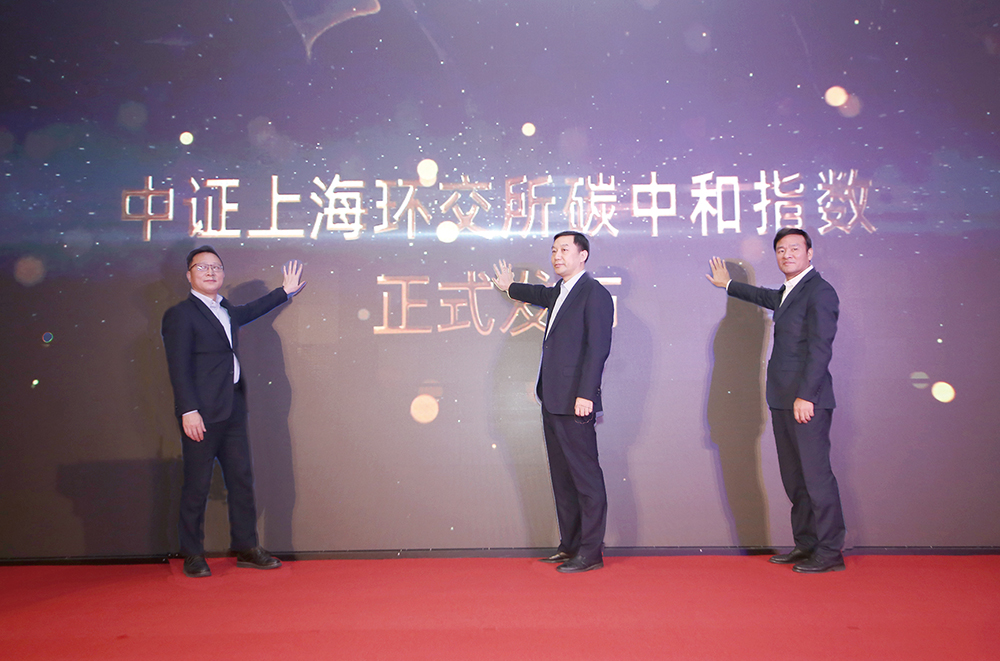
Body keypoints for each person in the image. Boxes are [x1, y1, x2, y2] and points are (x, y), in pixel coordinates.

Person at [706, 228, 846, 573]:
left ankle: (830, 551)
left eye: (794, 249)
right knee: (795, 478)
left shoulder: (820, 292)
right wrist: (728, 285)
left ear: (809, 253)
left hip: (806, 401)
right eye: (781, 250)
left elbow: (820, 349)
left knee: (816, 477)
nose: (787, 255)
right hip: (783, 399)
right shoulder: (788, 292)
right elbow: (765, 296)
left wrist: (806, 395)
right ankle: (806, 544)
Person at [162, 246, 305, 578]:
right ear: (188, 275)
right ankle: (193, 554)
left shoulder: (225, 309)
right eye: (202, 267)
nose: (210, 272)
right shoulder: (181, 314)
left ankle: (246, 547)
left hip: (233, 410)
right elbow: (178, 367)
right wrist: (188, 410)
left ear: (223, 274)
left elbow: (251, 310)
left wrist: (284, 292)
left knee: (241, 480)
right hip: (202, 414)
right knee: (197, 485)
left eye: (216, 267)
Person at [492, 231, 614, 573]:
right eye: (553, 250)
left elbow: (598, 349)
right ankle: (570, 545)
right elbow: (537, 293)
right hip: (552, 399)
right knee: (562, 478)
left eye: (564, 249)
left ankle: (591, 552)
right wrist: (509, 287)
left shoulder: (595, 293)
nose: (557, 256)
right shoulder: (560, 291)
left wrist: (586, 394)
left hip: (576, 402)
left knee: (586, 479)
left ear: (583, 254)